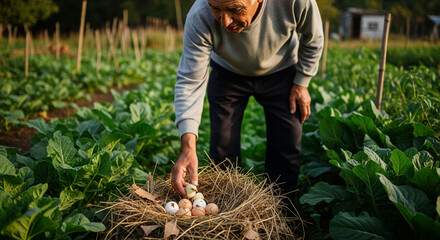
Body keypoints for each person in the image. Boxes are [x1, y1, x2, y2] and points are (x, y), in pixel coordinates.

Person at [171, 0, 323, 207]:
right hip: (228, 73)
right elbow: (190, 82)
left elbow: (313, 37)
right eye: (216, 9)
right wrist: (187, 146)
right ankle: (227, 210)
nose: (225, 21)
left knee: (286, 144)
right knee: (223, 146)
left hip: (281, 71)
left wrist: (302, 82)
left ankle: (281, 212)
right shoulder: (199, 15)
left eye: (235, 10)